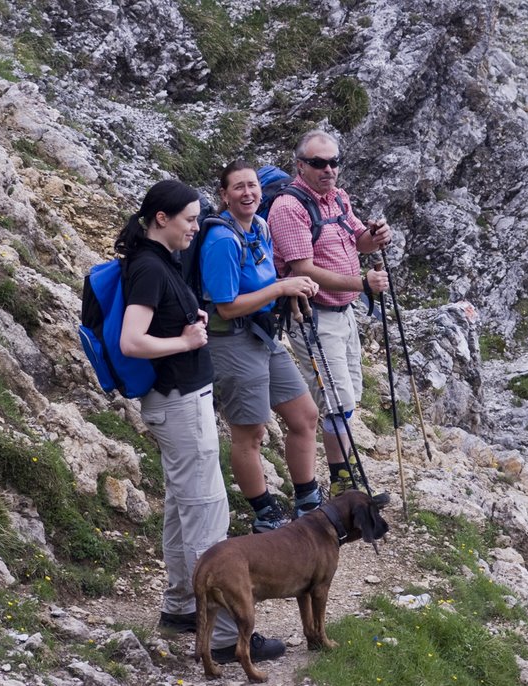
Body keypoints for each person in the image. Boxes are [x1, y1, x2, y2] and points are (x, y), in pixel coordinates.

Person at [115, 179, 284, 664]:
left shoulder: (158, 258)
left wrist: (190, 329)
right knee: (207, 513)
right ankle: (228, 637)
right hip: (180, 402)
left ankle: (180, 606)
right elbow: (132, 341)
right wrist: (186, 343)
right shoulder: (149, 266)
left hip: (181, 400)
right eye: (190, 219)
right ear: (162, 218)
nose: (197, 227)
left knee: (180, 507)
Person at [199, 160, 322, 532]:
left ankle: (308, 500)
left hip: (261, 335)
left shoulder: (261, 227)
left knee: (305, 415)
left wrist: (294, 288)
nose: (248, 193)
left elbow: (266, 279)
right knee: (250, 432)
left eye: (252, 185)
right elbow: (225, 304)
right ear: (224, 195)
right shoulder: (221, 240)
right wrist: (282, 288)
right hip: (230, 339)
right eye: (238, 187)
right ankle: (266, 514)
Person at [267, 130, 392, 498]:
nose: (329, 169)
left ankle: (344, 477)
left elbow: (359, 240)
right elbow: (302, 267)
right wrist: (361, 283)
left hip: (343, 311)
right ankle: (341, 482)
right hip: (313, 316)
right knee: (337, 402)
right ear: (300, 165)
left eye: (334, 162)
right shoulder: (289, 207)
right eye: (319, 163)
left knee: (348, 394)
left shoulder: (337, 198)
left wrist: (375, 235)